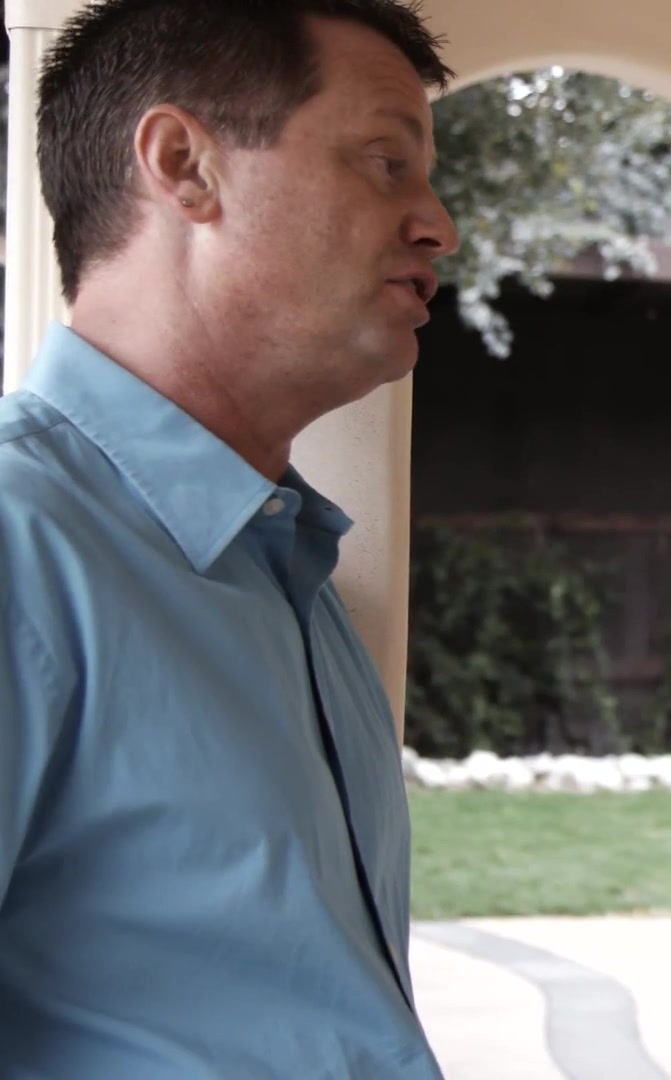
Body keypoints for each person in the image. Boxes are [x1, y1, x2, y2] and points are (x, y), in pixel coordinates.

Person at [0, 1, 459, 1076]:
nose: (438, 225)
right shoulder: (21, 547)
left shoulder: (291, 570)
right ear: (184, 165)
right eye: (385, 162)